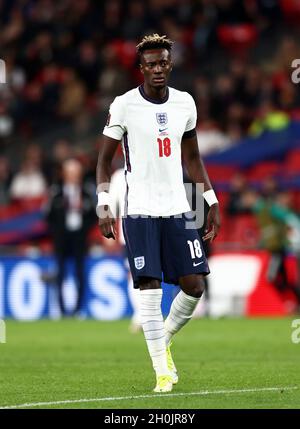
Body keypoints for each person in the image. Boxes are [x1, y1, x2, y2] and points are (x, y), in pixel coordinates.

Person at [96, 34, 220, 393]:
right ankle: (162, 373)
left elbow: (193, 159)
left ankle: (161, 340)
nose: (158, 69)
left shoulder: (185, 103)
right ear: (141, 68)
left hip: (179, 207)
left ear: (170, 63)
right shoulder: (124, 105)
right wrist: (105, 205)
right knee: (149, 289)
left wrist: (211, 201)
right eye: (151, 64)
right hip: (139, 209)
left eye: (163, 62)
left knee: (194, 286)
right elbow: (104, 161)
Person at [46, 158, 96, 317]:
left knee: (80, 274)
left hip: (79, 239)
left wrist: (84, 229)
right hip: (61, 239)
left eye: (77, 173)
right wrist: (57, 231)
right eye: (71, 173)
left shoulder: (86, 192)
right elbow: (48, 216)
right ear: (65, 174)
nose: (74, 176)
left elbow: (94, 215)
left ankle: (78, 310)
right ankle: (60, 310)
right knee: (60, 273)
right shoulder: (56, 191)